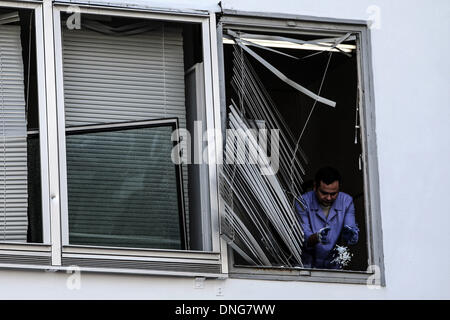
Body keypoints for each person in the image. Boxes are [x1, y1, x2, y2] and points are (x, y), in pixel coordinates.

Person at [295, 166, 359, 269]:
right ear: (315, 187)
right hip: (307, 264)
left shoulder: (346, 201)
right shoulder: (302, 202)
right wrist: (316, 237)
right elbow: (303, 236)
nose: (329, 198)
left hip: (334, 264)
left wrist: (350, 235)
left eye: (333, 194)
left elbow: (352, 233)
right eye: (324, 193)